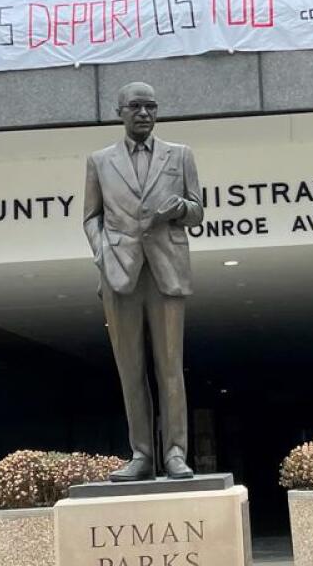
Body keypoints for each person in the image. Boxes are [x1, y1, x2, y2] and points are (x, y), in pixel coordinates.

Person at [82, 81, 204, 481]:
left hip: (166, 271)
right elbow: (91, 217)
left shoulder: (180, 155)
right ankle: (141, 454)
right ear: (119, 111)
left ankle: (175, 453)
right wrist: (103, 255)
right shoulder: (99, 161)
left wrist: (177, 209)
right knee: (129, 369)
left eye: (151, 107)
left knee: (170, 366)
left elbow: (197, 210)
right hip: (120, 272)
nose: (145, 114)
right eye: (136, 106)